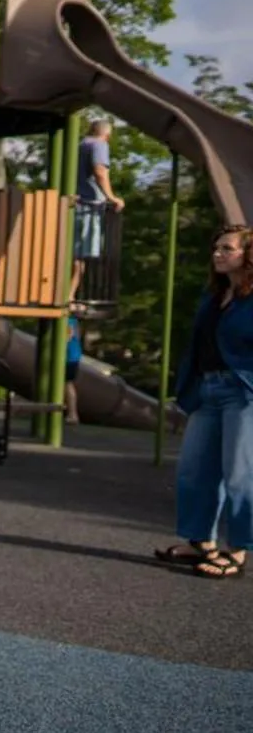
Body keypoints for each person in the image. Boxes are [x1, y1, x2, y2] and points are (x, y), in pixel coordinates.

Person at [155, 225, 253, 579]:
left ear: (248, 255)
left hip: (243, 391)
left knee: (241, 474)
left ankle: (237, 552)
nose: (217, 254)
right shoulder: (214, 295)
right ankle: (201, 543)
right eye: (216, 248)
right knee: (194, 469)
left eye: (227, 248)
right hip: (208, 390)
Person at [72, 119, 123, 302]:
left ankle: (67, 295)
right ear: (107, 135)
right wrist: (112, 197)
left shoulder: (79, 145)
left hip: (73, 203)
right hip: (87, 206)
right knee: (79, 256)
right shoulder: (99, 145)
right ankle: (68, 297)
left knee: (72, 254)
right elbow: (100, 171)